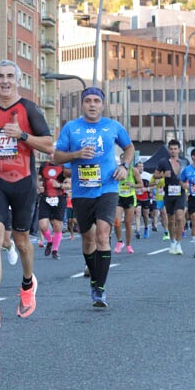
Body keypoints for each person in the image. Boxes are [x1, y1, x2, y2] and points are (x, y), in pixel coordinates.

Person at [0, 59, 53, 328]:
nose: (5, 81)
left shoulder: (29, 109)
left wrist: (22, 135)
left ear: (17, 80)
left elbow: (49, 145)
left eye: (10, 76)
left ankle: (28, 282)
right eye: (0, 76)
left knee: (21, 241)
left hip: (23, 182)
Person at [53, 87, 134, 308]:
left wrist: (125, 166)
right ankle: (94, 279)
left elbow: (129, 148)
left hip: (107, 187)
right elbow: (57, 156)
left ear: (102, 104)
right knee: (88, 239)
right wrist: (76, 155)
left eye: (96, 100)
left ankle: (100, 289)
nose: (92, 104)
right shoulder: (71, 128)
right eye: (88, 100)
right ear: (82, 104)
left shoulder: (113, 126)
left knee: (102, 235)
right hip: (82, 191)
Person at [154, 139, 187, 255]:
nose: (173, 151)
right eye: (171, 149)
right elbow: (155, 174)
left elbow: (188, 175)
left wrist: (187, 184)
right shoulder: (163, 162)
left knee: (179, 217)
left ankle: (179, 244)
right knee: (171, 219)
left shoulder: (184, 162)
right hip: (168, 193)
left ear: (179, 150)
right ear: (169, 150)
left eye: (175, 149)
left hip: (180, 193)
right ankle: (172, 242)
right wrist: (163, 174)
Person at [37, 160, 67, 259]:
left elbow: (70, 184)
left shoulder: (64, 166)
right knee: (43, 225)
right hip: (45, 197)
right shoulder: (44, 165)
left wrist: (60, 185)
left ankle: (55, 250)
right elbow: (39, 178)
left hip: (60, 198)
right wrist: (39, 186)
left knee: (57, 226)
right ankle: (50, 241)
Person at [113, 163, 141, 254]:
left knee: (128, 222)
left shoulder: (134, 171)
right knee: (116, 221)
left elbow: (141, 184)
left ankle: (128, 245)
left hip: (130, 197)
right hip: (119, 197)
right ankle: (120, 242)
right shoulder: (116, 169)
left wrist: (132, 185)